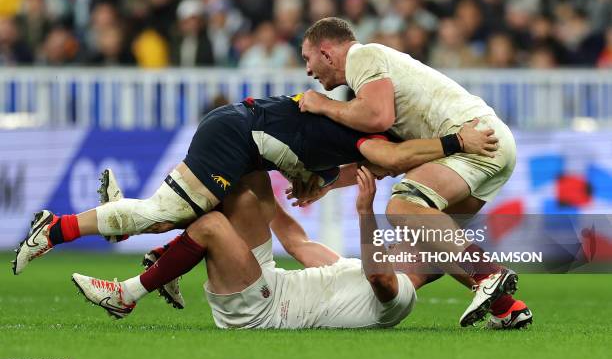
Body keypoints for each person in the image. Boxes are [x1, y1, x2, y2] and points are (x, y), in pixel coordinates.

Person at [13, 93, 496, 278]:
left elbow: (342, 165)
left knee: (198, 216)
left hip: (240, 134)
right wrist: (459, 141)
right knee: (170, 213)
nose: (397, 171)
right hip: (236, 137)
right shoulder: (374, 134)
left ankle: (131, 235)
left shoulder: (347, 130)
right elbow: (391, 159)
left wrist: (320, 185)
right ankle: (55, 228)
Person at [71, 168, 532, 329]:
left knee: (212, 224)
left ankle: (127, 294)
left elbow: (380, 278)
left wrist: (366, 212)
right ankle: (129, 221)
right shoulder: (346, 268)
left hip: (262, 311)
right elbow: (294, 239)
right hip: (267, 280)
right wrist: (286, 191)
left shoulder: (402, 300)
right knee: (246, 184)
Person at [298, 17, 529, 327]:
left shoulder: (362, 57)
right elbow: (387, 161)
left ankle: (489, 274)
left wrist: (323, 105)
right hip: (488, 143)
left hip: (474, 139)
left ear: (326, 53)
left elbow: (377, 116)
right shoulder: (373, 85)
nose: (308, 70)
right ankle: (507, 308)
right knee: (428, 243)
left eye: (307, 58)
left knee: (403, 206)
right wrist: (327, 183)